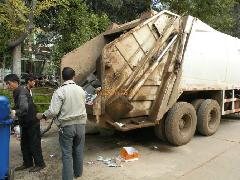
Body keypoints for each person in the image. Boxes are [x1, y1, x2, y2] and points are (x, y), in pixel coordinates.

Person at [37, 67, 87, 180]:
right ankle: (78, 173)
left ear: (62, 77)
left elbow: (53, 111)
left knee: (67, 154)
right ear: (73, 76)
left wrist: (43, 115)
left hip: (67, 126)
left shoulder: (60, 91)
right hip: (81, 125)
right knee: (79, 150)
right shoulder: (81, 89)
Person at [4, 74, 45, 172]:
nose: (7, 86)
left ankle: (40, 164)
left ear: (15, 82)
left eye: (8, 83)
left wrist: (15, 112)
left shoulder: (21, 92)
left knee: (34, 143)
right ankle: (27, 163)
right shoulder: (17, 91)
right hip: (25, 122)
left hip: (31, 122)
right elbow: (19, 106)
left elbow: (24, 108)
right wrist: (12, 110)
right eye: (6, 84)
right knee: (24, 144)